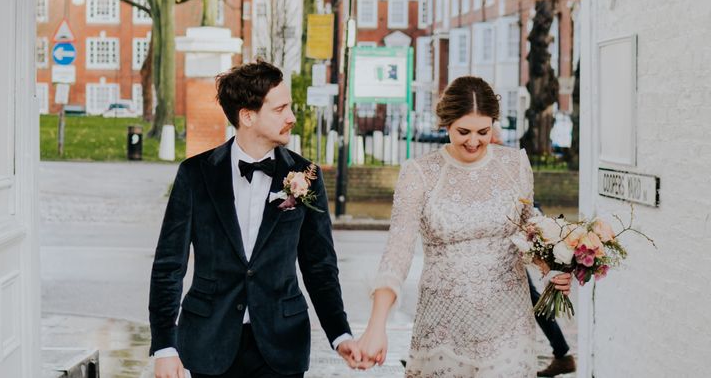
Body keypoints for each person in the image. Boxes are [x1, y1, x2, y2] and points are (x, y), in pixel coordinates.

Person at [148, 60, 364, 378]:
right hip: (209, 342)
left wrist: (340, 334)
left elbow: (319, 266)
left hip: (282, 342)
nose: (291, 118)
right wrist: (165, 345)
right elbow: (169, 265)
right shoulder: (195, 174)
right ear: (247, 116)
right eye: (280, 110)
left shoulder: (307, 176)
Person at [357, 76, 571, 378]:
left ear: (494, 123)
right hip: (443, 326)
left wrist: (551, 268)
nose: (473, 141)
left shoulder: (515, 166)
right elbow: (397, 253)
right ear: (446, 124)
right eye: (463, 132)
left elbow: (529, 237)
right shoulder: (419, 174)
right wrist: (376, 326)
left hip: (508, 326)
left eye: (483, 131)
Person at [490, 125, 576, 376]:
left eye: (493, 138)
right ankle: (562, 353)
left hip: (509, 256)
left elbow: (531, 209)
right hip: (496, 256)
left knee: (532, 300)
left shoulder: (510, 168)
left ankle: (561, 353)